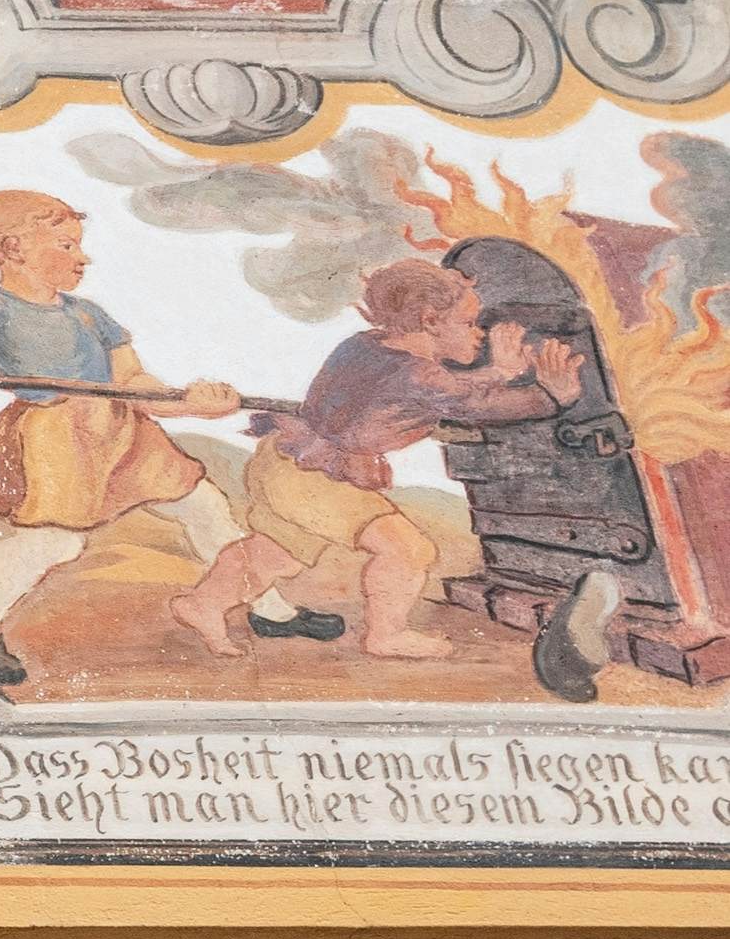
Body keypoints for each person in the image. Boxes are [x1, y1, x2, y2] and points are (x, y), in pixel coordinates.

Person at [0, 189, 301, 689]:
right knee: (55, 541)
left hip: (121, 428)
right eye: (66, 245)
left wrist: (192, 404)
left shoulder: (90, 314)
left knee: (204, 507)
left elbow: (135, 386)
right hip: (53, 435)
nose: (81, 256)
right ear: (12, 249)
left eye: (77, 245)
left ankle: (270, 610)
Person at [182, 257, 588, 669]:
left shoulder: (366, 344)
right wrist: (552, 396)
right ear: (430, 321)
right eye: (469, 323)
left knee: (278, 550)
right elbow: (469, 402)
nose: (479, 333)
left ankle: (203, 604)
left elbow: (448, 389)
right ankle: (386, 634)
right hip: (319, 481)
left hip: (287, 460)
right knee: (408, 550)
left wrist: (498, 371)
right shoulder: (422, 377)